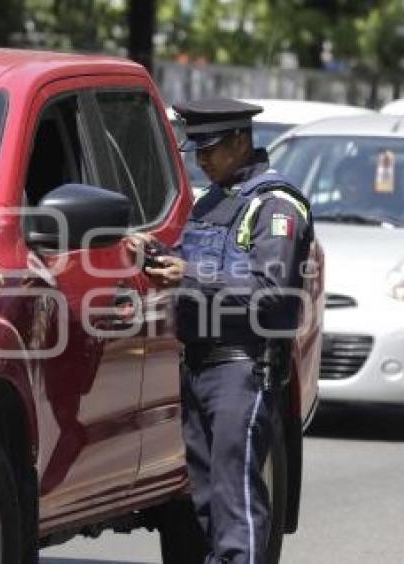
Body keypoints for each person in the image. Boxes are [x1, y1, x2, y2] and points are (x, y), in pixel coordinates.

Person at [131, 98, 313, 564]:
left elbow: (273, 291)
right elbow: (195, 257)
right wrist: (155, 252)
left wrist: (189, 275)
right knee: (209, 505)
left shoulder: (277, 206)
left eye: (211, 147)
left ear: (240, 140)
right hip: (198, 368)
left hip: (243, 369)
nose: (203, 158)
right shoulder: (213, 201)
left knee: (236, 503)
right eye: (197, 149)